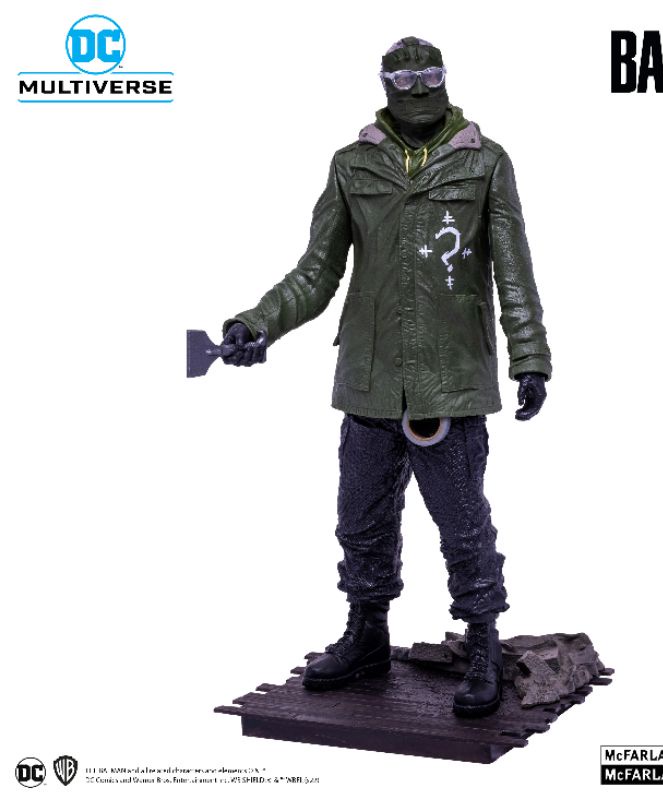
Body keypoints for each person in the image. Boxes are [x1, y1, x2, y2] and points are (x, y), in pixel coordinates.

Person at [220, 36, 552, 717]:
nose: (418, 87)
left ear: (445, 78)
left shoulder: (485, 162)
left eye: (429, 74)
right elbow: (316, 271)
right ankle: (367, 633)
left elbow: (513, 268)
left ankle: (482, 643)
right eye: (404, 78)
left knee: (463, 524)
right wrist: (257, 323)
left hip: (450, 379)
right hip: (369, 376)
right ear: (385, 84)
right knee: (361, 519)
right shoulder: (353, 165)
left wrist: (531, 356)